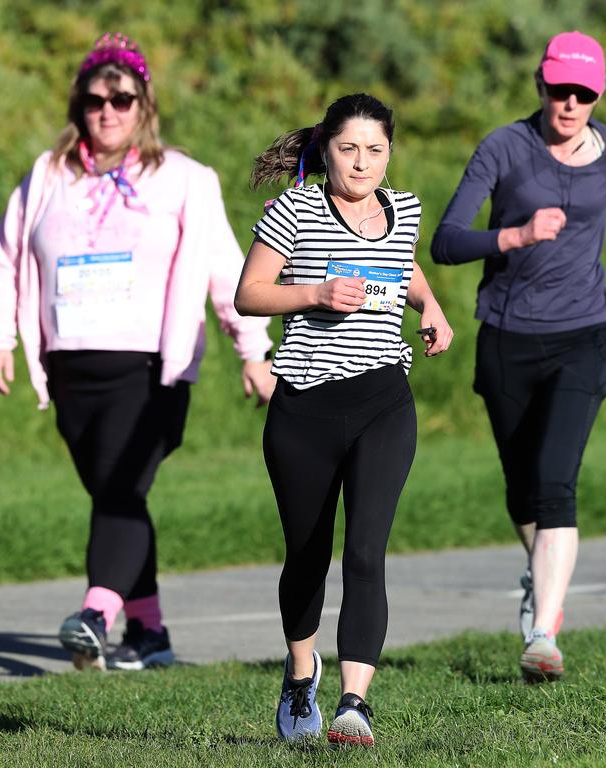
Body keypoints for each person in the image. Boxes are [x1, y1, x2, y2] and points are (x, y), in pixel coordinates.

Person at [0, 32, 274, 672]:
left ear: (145, 107)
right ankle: (150, 632)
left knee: (120, 489)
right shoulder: (47, 177)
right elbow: (6, 257)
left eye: (121, 99)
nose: (107, 111)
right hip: (70, 368)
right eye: (94, 100)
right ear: (77, 107)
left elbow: (228, 271)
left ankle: (94, 615)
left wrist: (253, 349)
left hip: (149, 372)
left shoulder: (184, 180)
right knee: (119, 496)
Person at [430, 31, 606, 682]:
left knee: (556, 479)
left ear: (598, 95)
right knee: (523, 492)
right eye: (558, 88)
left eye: (583, 93)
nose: (568, 103)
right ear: (540, 84)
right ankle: (540, 585)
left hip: (584, 336)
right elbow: (446, 241)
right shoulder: (504, 148)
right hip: (507, 338)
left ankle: (544, 632)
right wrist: (513, 235)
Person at [235, 93, 453, 746]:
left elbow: (400, 265)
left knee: (365, 552)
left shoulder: (403, 208)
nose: (363, 162)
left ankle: (355, 703)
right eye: (349, 148)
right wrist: (314, 293)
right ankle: (302, 674)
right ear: (325, 150)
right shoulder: (295, 209)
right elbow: (249, 294)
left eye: (376, 150)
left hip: (383, 401)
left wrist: (432, 307)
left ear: (390, 153)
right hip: (304, 406)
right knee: (307, 556)